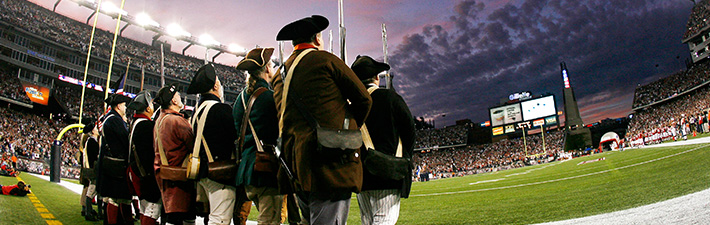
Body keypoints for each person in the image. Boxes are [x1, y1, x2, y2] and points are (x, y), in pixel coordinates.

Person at [272, 15, 372, 224]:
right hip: (330, 163)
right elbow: (364, 99)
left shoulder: (279, 74)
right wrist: (348, 130)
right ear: (317, 39)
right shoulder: (325, 60)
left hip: (296, 165)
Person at [351, 56, 415, 225]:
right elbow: (410, 130)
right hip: (388, 172)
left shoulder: (350, 106)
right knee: (385, 219)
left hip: (361, 174)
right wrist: (403, 157)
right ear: (376, 78)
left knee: (368, 220)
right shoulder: (390, 98)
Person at [233, 48, 285, 225]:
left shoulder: (239, 100)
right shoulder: (270, 98)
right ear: (268, 69)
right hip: (265, 169)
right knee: (270, 220)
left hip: (246, 170)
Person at [186, 64, 240, 225]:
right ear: (215, 85)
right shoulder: (221, 109)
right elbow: (234, 137)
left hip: (201, 172)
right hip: (219, 171)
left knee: (211, 219)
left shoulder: (197, 110)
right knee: (220, 220)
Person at [153, 84, 197, 225]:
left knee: (172, 217)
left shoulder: (160, 120)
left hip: (165, 174)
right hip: (180, 177)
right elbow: (193, 146)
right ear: (174, 101)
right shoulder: (177, 121)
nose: (180, 96)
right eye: (177, 95)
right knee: (184, 218)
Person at [97, 93, 134, 224]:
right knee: (116, 198)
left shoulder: (110, 118)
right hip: (117, 165)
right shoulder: (114, 120)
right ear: (118, 106)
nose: (125, 108)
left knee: (115, 198)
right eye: (124, 105)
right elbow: (125, 140)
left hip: (111, 164)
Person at [126, 91, 161, 225]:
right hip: (144, 173)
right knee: (152, 209)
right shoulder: (145, 125)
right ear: (147, 108)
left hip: (135, 170)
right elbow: (148, 154)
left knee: (145, 207)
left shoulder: (136, 123)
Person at [80, 118, 100, 221]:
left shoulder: (89, 141)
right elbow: (96, 156)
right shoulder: (92, 142)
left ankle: (89, 210)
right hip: (93, 169)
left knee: (90, 191)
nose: (97, 129)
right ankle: (88, 212)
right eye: (96, 128)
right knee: (91, 191)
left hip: (89, 168)